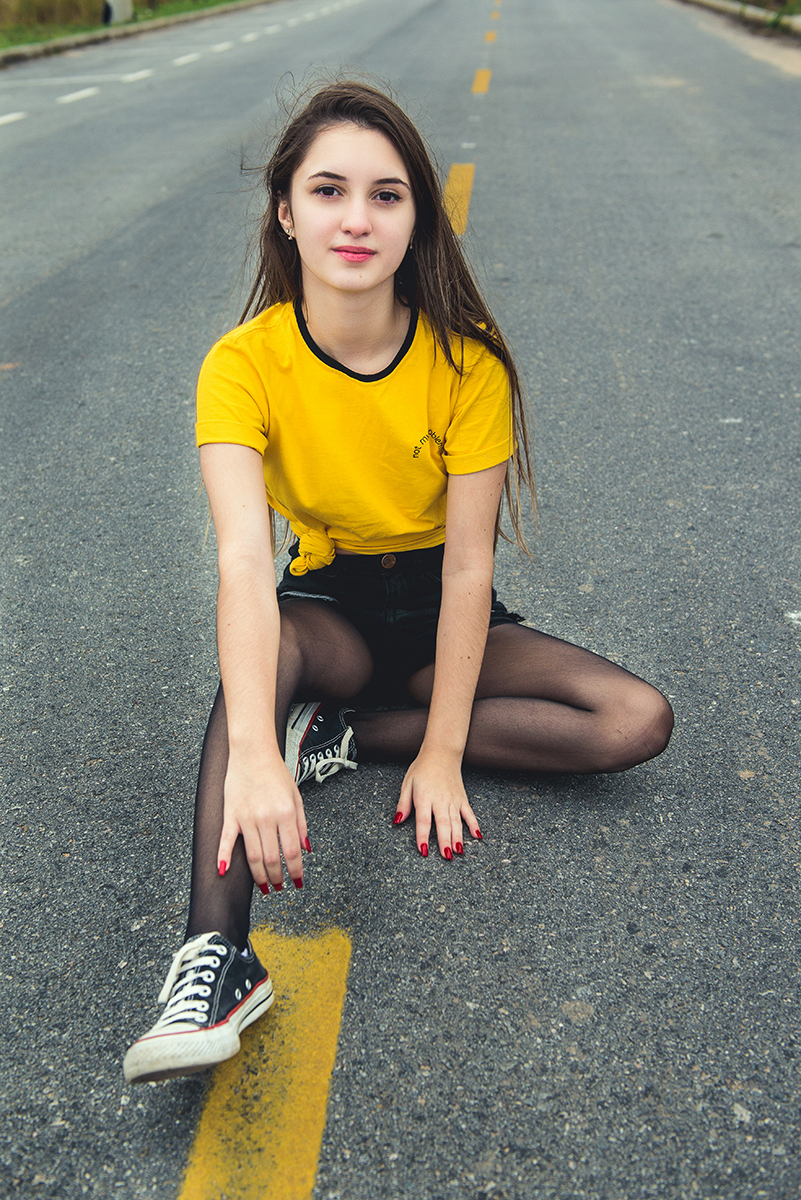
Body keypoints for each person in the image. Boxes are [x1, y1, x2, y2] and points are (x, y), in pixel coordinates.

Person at [123, 80, 673, 1085]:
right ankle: (214, 952)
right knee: (271, 659)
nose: (357, 218)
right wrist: (253, 753)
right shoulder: (242, 366)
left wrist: (445, 752)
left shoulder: (468, 367)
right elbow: (245, 562)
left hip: (439, 619)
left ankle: (347, 737)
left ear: (418, 217)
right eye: (329, 190)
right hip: (334, 614)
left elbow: (469, 567)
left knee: (633, 719)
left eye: (387, 195)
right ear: (286, 212)